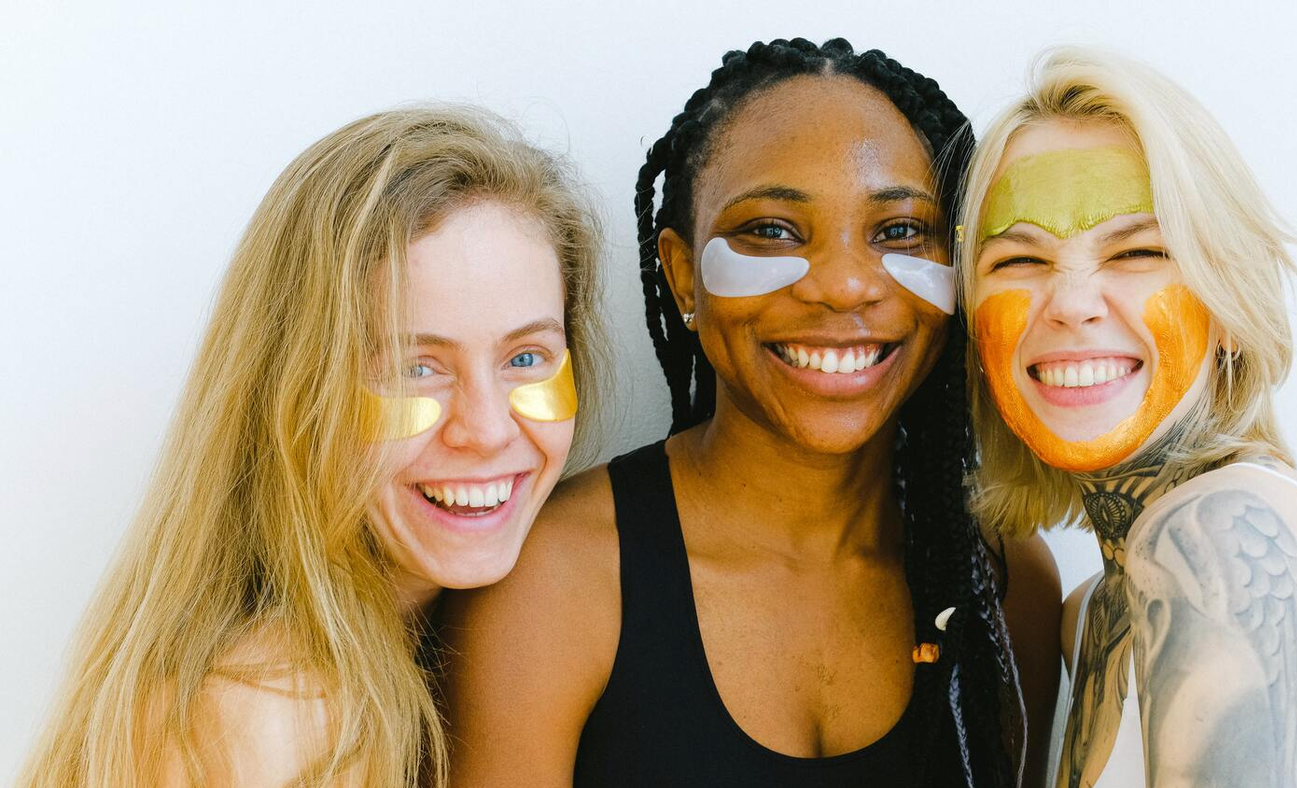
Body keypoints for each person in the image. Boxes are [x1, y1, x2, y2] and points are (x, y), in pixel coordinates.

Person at [443, 38, 1061, 788]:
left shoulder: (1002, 579)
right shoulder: (555, 580)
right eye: (771, 230)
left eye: (900, 231)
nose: (843, 285)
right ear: (682, 277)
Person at [17, 105, 607, 787]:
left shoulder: (470, 640)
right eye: (414, 368)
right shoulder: (266, 715)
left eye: (526, 358)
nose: (488, 429)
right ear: (292, 392)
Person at [959, 46, 1297, 787]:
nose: (1071, 304)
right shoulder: (1090, 613)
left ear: (1227, 303)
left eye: (1137, 251)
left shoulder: (1218, 540)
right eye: (1019, 261)